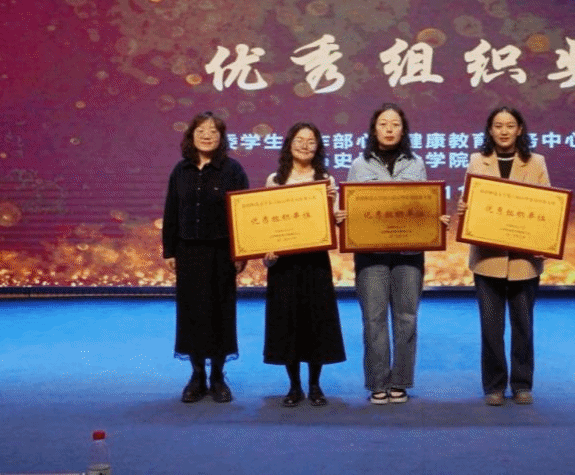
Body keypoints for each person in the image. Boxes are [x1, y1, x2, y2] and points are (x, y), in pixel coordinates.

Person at [346, 102, 448, 405]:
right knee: (373, 319)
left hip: (408, 253)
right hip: (370, 254)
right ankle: (378, 382)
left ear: (403, 130)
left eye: (395, 124)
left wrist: (435, 219)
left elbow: (423, 205)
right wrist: (343, 216)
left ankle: (401, 382)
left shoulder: (416, 164)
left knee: (407, 318)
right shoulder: (359, 165)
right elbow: (353, 207)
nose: (389, 129)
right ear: (374, 129)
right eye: (383, 124)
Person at [459, 106, 550, 406]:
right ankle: (494, 386)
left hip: (524, 260)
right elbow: (468, 202)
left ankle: (522, 384)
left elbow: (548, 207)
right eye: (498, 126)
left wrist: (545, 241)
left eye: (510, 125)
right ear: (490, 130)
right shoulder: (477, 160)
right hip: (488, 259)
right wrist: (464, 210)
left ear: (520, 129)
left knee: (523, 325)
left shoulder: (536, 162)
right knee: (491, 327)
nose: (504, 131)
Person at [162, 111, 249, 404]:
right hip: (188, 251)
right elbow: (171, 211)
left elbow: (243, 214)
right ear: (191, 136)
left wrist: (242, 251)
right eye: (201, 130)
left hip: (222, 252)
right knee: (192, 313)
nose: (207, 135)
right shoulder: (181, 170)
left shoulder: (232, 170)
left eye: (213, 130)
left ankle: (218, 376)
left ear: (221, 137)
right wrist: (169, 250)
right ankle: (197, 375)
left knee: (220, 312)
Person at [262, 122, 347, 408]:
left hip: (315, 261)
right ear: (289, 144)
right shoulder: (275, 179)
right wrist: (267, 250)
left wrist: (338, 215)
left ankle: (315, 385)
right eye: (299, 140)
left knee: (316, 321)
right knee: (288, 322)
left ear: (318, 147)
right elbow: (266, 222)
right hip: (285, 264)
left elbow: (333, 221)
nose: (305, 146)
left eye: (311, 141)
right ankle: (294, 386)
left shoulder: (326, 180)